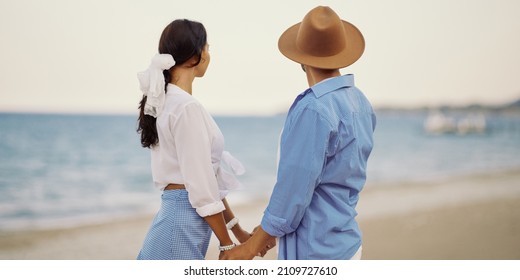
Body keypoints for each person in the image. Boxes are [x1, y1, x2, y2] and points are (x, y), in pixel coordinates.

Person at [221, 6, 376, 260]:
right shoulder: (360, 103)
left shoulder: (313, 108)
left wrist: (251, 246)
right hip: (347, 244)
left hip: (316, 251)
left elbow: (293, 190)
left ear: (302, 58)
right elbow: (334, 179)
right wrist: (269, 232)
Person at [136, 19, 252, 260]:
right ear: (194, 57)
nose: (209, 55)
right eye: (207, 48)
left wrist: (237, 231)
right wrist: (226, 244)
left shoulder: (166, 100)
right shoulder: (185, 107)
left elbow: (209, 181)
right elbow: (200, 184)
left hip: (181, 220)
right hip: (181, 225)